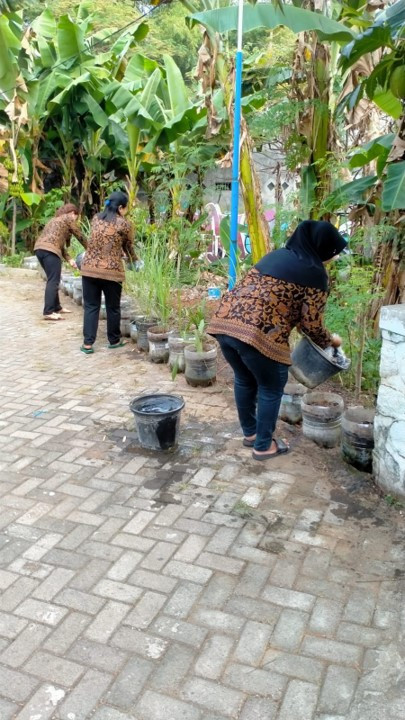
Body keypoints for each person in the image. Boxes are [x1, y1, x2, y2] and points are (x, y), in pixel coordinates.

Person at [208, 220, 347, 461]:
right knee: (272, 386)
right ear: (322, 247)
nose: (332, 258)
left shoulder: (275, 256)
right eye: (332, 252)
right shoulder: (315, 273)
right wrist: (331, 342)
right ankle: (263, 446)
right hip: (255, 335)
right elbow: (311, 324)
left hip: (224, 325)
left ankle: (251, 434)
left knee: (244, 378)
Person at [80, 190, 137, 354]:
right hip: (112, 272)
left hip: (89, 269)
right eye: (125, 208)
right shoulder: (123, 224)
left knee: (91, 306)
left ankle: (88, 344)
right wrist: (134, 260)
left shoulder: (96, 218)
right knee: (113, 307)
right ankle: (114, 340)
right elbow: (128, 246)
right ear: (120, 207)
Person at [34, 203, 86, 321]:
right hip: (50, 251)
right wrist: (91, 249)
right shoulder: (68, 218)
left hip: (39, 249)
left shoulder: (54, 221)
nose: (75, 220)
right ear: (73, 213)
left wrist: (70, 259)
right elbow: (80, 235)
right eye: (76, 217)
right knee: (53, 280)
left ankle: (56, 307)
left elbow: (59, 244)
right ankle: (48, 311)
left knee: (53, 278)